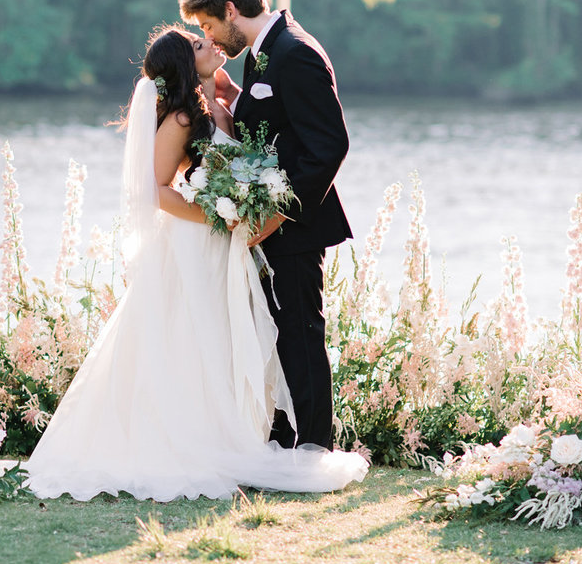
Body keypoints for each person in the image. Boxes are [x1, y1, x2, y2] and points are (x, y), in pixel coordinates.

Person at [22, 26, 366, 501]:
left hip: (224, 245)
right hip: (194, 241)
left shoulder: (215, 108)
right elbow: (156, 188)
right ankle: (181, 441)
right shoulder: (183, 119)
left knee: (223, 338)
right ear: (188, 64)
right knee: (191, 335)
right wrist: (215, 217)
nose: (213, 45)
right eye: (201, 45)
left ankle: (227, 435)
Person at [179, 0, 352, 451]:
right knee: (278, 336)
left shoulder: (294, 52)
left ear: (231, 9)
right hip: (269, 226)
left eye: (210, 26)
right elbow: (274, 128)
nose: (211, 40)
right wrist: (233, 99)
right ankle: (285, 439)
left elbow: (328, 146)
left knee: (301, 334)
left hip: (298, 224)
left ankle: (317, 448)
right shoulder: (262, 54)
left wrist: (276, 214)